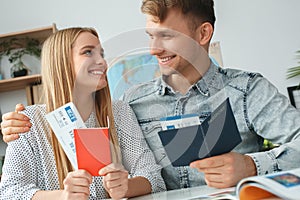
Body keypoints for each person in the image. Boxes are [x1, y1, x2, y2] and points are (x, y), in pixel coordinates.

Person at [2, 0, 300, 191]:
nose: (154, 49)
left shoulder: (247, 90)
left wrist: (253, 165)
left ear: (203, 34)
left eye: (166, 36)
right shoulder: (132, 103)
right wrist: (20, 123)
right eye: (150, 37)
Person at [0, 27, 165, 199]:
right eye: (88, 52)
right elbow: (10, 192)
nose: (102, 61)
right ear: (61, 62)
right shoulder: (28, 121)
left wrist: (126, 187)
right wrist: (64, 196)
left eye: (101, 53)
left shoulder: (119, 112)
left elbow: (154, 179)